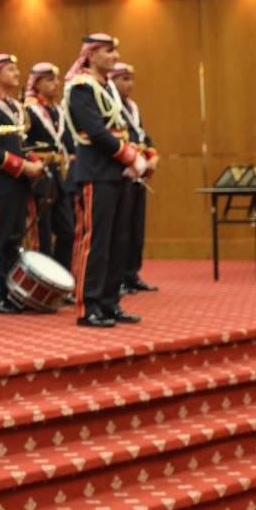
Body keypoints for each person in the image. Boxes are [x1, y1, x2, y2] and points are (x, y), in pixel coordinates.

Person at [62, 33, 147, 328]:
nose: (115, 57)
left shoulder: (106, 86)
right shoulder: (81, 87)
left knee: (118, 241)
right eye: (109, 51)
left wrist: (134, 156)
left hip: (117, 172)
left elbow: (122, 126)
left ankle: (110, 303)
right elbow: (95, 132)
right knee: (95, 241)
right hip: (96, 172)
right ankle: (89, 306)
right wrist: (130, 156)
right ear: (91, 55)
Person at [0, 54, 44, 315]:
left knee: (15, 239)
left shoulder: (15, 105)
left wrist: (34, 162)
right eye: (10, 70)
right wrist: (22, 166)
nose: (17, 74)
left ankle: (13, 292)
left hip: (19, 182)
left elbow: (21, 143)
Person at [110, 62, 159, 294]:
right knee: (120, 229)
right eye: (124, 79)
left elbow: (143, 137)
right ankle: (117, 277)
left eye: (131, 79)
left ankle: (132, 274)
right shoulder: (110, 105)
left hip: (139, 172)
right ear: (112, 81)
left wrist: (152, 157)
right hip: (122, 171)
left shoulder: (132, 106)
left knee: (136, 227)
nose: (130, 84)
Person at [24, 62, 76, 270]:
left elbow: (67, 143)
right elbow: (22, 144)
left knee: (67, 231)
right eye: (49, 80)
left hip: (58, 176)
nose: (56, 83)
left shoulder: (57, 110)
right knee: (42, 235)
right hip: (38, 177)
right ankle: (42, 280)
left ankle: (60, 277)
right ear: (36, 83)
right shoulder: (28, 110)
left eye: (56, 79)